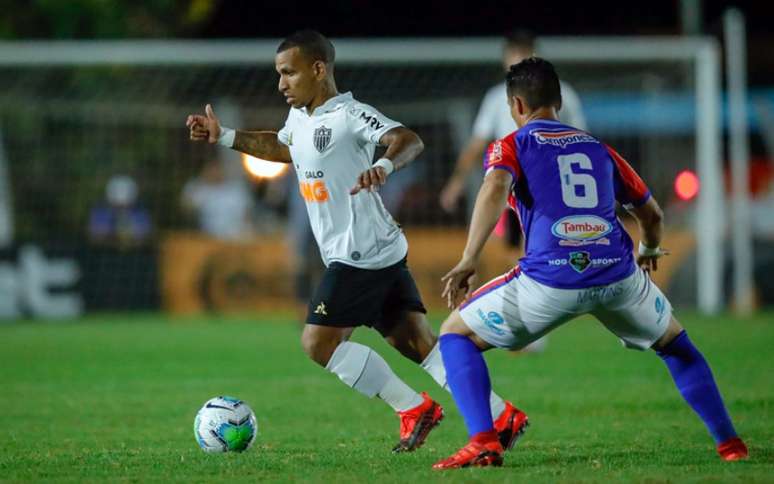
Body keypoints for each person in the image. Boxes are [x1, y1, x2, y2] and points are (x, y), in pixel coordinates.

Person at [185, 30, 525, 453]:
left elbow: (408, 140)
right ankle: (500, 416)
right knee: (419, 345)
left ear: (318, 69)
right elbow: (285, 145)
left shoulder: (350, 114)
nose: (281, 84)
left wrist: (383, 165)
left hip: (359, 253)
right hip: (373, 249)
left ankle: (413, 409)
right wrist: (225, 136)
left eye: (289, 73)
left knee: (318, 343)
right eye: (278, 74)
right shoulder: (301, 119)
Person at [433, 58, 748, 469]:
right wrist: (649, 251)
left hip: (550, 282)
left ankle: (484, 440)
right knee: (676, 346)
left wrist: (468, 258)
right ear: (559, 102)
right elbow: (651, 215)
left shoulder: (512, 143)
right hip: (617, 275)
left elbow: (494, 185)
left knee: (454, 333)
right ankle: (731, 446)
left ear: (516, 106)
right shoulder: (600, 148)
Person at [440, 30, 586, 354]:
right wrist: (455, 181)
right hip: (507, 192)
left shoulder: (564, 96)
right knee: (515, 257)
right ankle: (525, 324)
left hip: (548, 194)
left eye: (524, 55)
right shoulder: (496, 98)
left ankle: (531, 325)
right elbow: (478, 143)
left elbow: (582, 141)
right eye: (513, 56)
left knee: (535, 256)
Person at [181, 159, 255, 241]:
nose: (215, 171)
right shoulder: (198, 187)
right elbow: (186, 209)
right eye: (211, 168)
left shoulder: (237, 188)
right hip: (207, 237)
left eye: (217, 168)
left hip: (236, 238)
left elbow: (247, 213)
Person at [88, 174, 152, 248]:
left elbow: (145, 238)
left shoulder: (141, 214)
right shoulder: (100, 214)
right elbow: (95, 238)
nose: (121, 207)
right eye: (117, 205)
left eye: (125, 204)